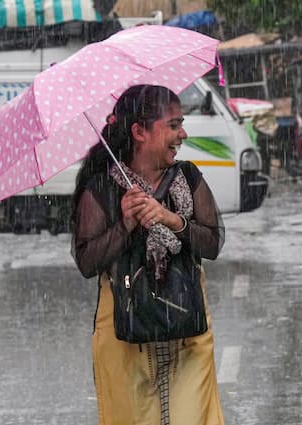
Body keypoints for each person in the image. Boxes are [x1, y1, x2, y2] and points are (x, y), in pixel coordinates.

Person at [71, 84, 225, 425]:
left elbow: (212, 243)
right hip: (125, 339)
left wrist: (173, 220)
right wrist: (125, 224)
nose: (182, 134)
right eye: (173, 125)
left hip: (188, 331)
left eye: (181, 123)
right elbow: (86, 261)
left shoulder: (188, 177)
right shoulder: (102, 189)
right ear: (139, 132)